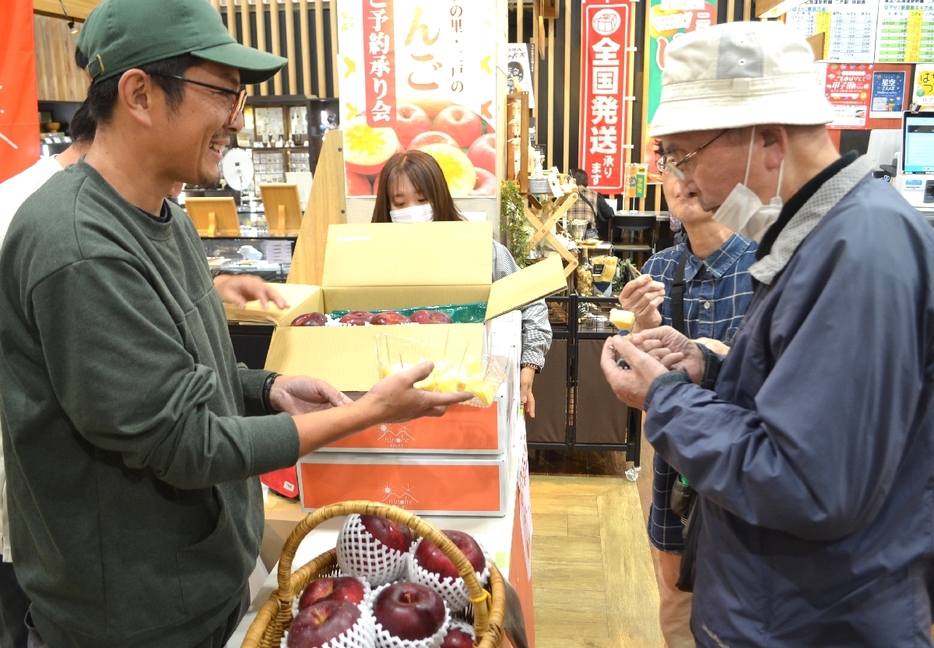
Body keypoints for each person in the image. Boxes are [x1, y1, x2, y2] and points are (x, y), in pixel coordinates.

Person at [0, 2, 471, 647]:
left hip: (201, 584)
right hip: (134, 619)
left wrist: (267, 387)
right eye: (222, 93)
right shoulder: (79, 246)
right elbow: (183, 443)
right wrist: (369, 412)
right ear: (140, 94)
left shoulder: (165, 216)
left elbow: (186, 374)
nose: (237, 119)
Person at [600, 21, 934, 645]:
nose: (681, 181)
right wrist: (705, 366)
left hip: (820, 619)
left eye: (687, 155)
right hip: (785, 607)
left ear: (770, 141)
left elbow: (808, 483)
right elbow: (803, 398)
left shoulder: (859, 254)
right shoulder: (820, 238)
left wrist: (664, 399)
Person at [619, 164, 756, 648]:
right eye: (670, 164)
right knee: (676, 602)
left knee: (741, 607)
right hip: (677, 474)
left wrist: (714, 358)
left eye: (695, 162)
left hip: (750, 473)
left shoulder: (770, 268)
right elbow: (642, 387)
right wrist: (642, 328)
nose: (682, 179)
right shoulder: (658, 269)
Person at [371, 150, 552, 417]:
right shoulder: (372, 259)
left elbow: (531, 301)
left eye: (422, 200)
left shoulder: (481, 252)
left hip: (469, 396)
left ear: (440, 198)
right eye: (399, 204)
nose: (412, 212)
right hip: (395, 401)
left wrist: (529, 365)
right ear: (386, 208)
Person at [568, 168, 616, 239]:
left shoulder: (564, 195)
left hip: (568, 236)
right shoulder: (595, 195)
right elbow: (609, 214)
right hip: (590, 236)